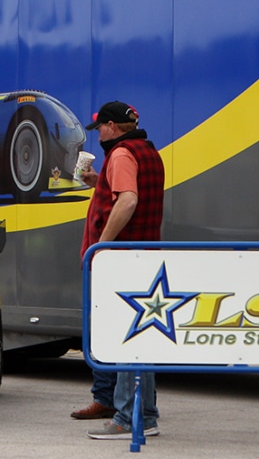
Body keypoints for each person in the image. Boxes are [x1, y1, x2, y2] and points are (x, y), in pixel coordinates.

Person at [74, 101, 165, 440]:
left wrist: (103, 246)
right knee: (142, 342)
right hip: (143, 256)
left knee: (127, 342)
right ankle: (147, 415)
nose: (99, 135)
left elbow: (128, 199)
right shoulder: (148, 152)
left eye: (100, 128)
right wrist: (100, 182)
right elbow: (127, 192)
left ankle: (127, 419)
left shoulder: (122, 154)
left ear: (112, 126)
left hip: (122, 261)